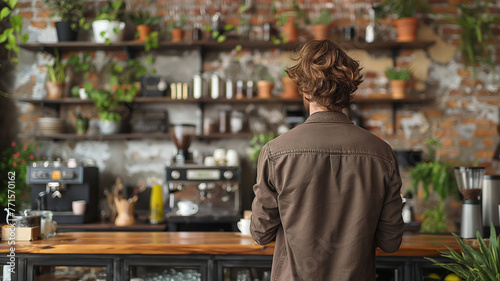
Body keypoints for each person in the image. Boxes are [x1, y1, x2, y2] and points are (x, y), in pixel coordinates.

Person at [250, 39, 404, 281]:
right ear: (348, 90)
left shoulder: (275, 152)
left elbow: (260, 233)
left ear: (305, 89)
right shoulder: (382, 153)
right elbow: (391, 241)